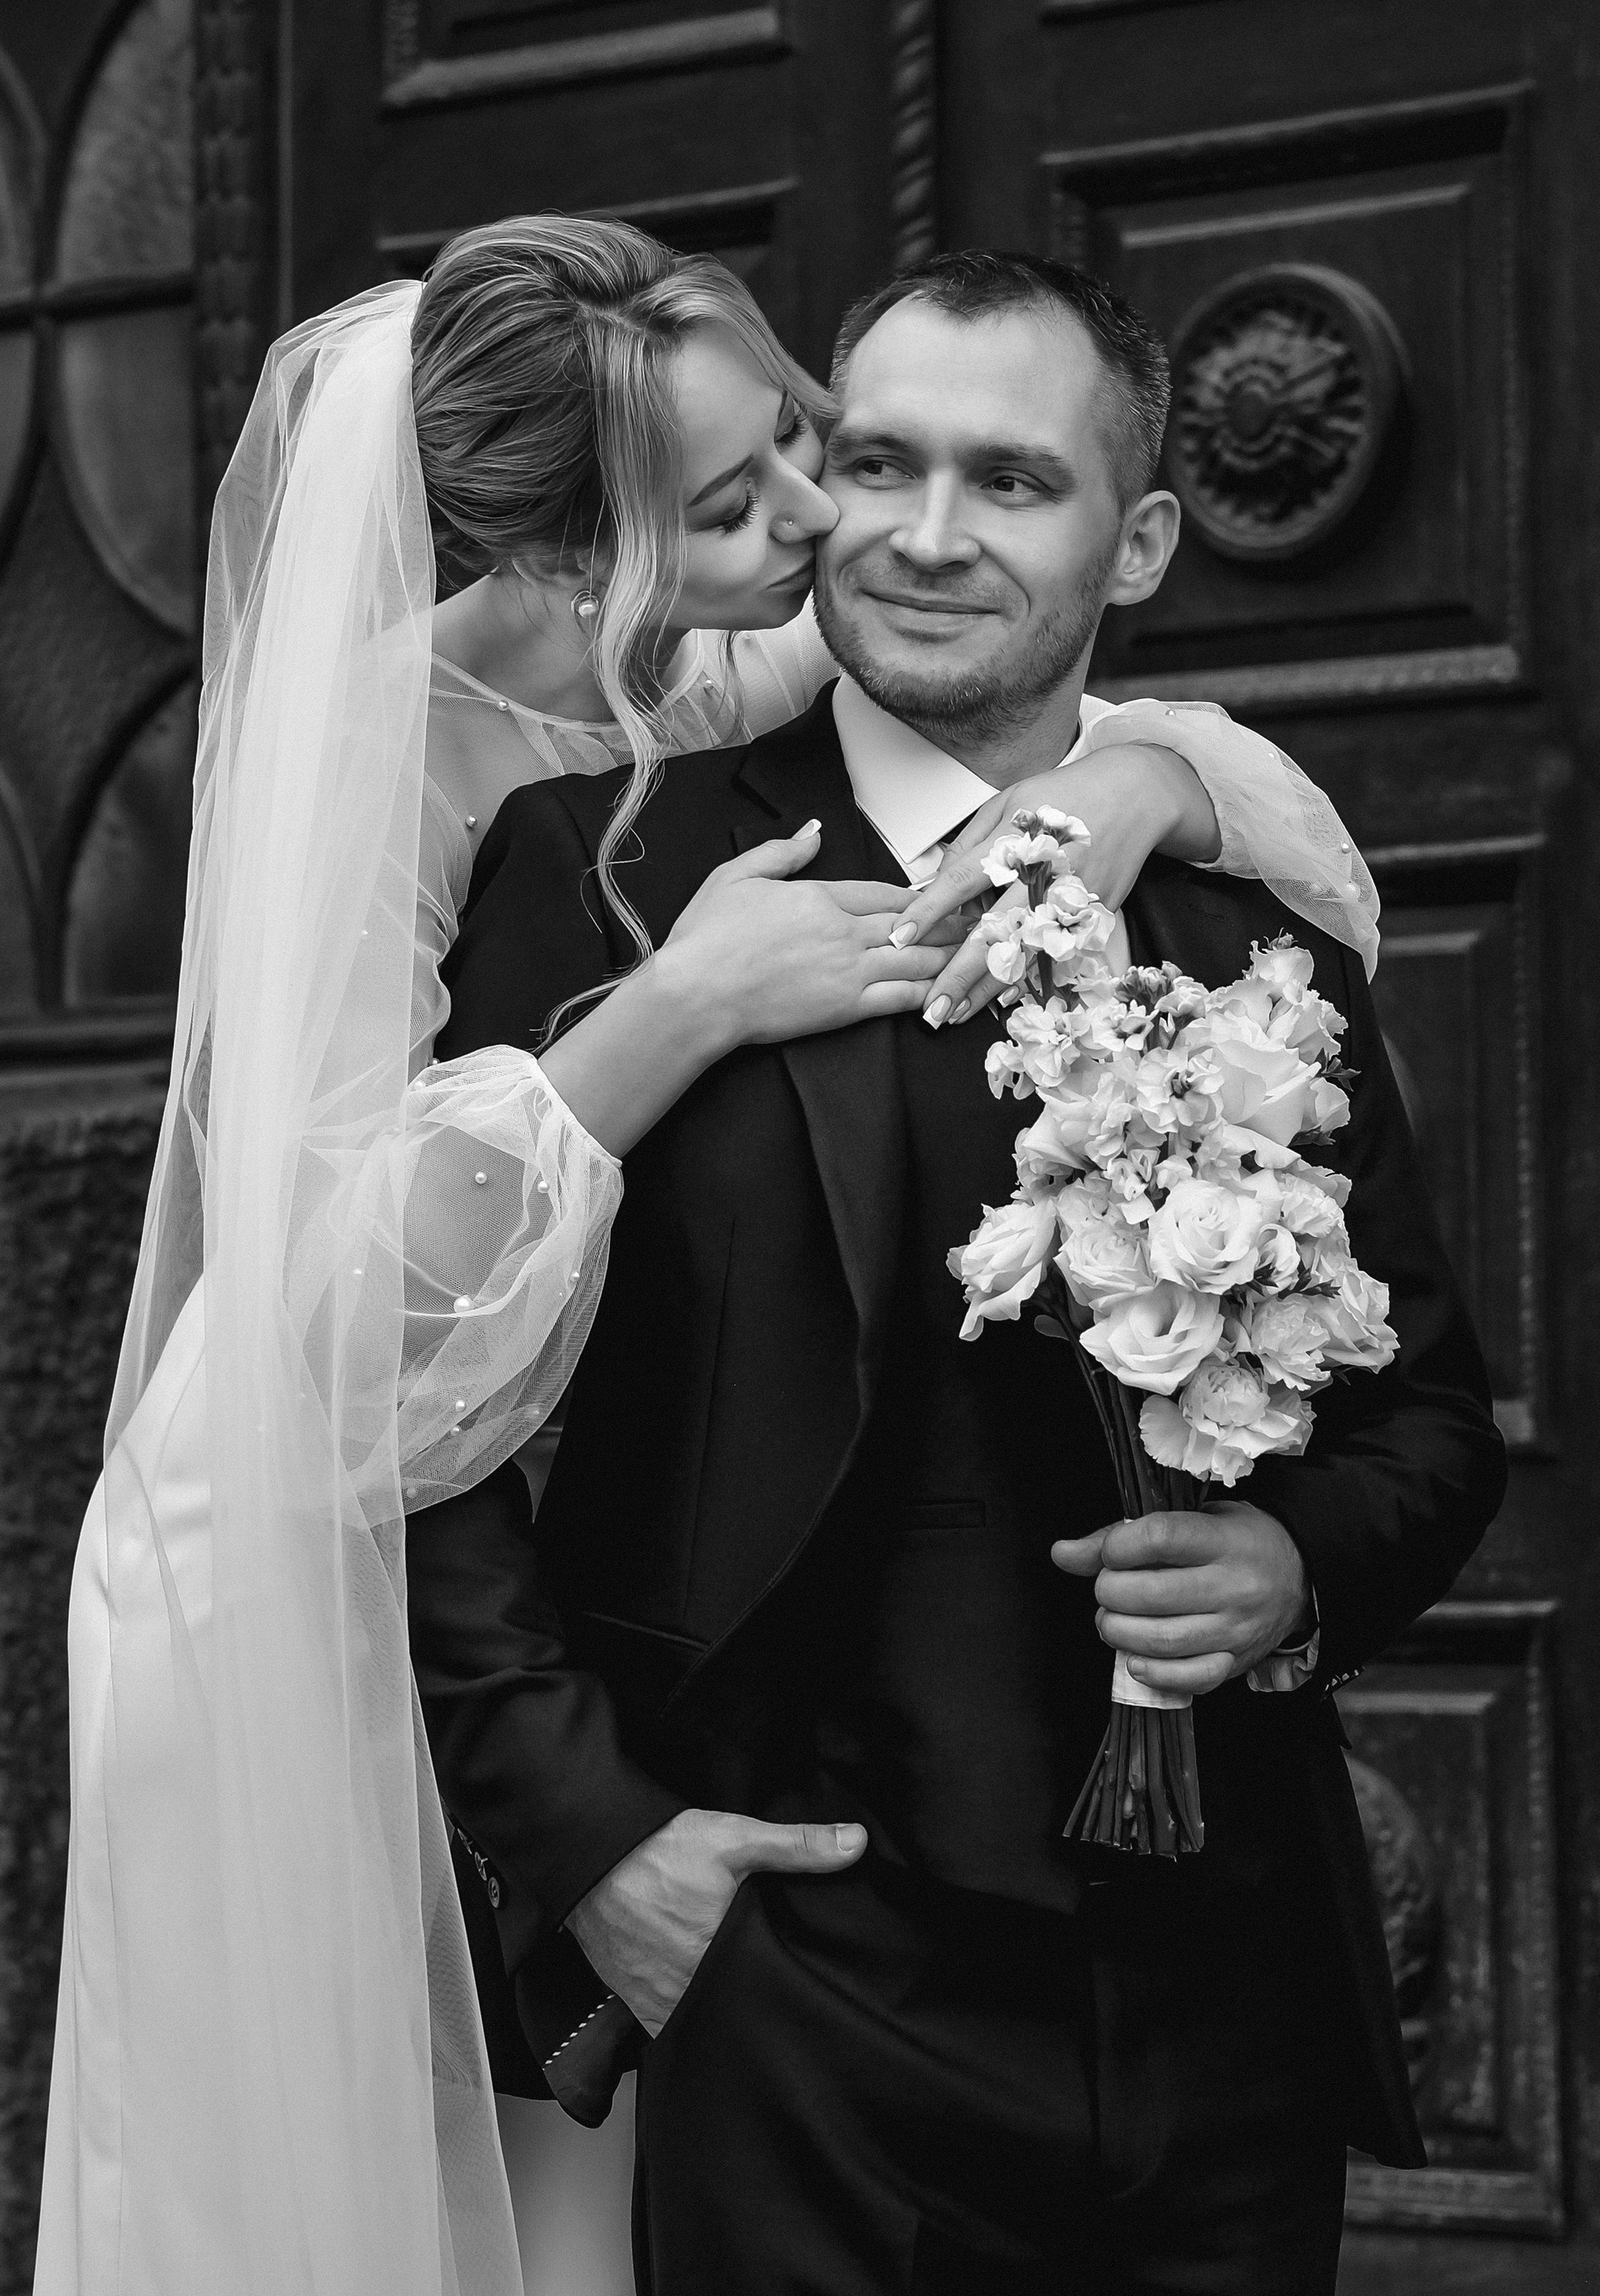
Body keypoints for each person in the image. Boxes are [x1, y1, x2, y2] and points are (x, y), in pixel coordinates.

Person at [36, 218, 1382, 2296]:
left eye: (797, 442)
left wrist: (1141, 774)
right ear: (578, 565)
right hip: (305, 1483)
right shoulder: (384, 752)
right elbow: (351, 1318)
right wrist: (681, 1006)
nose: (820, 522)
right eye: (733, 503)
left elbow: (1200, 771)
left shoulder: (748, 628)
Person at [412, 250, 1507, 2295]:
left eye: (1009, 481)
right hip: (789, 1984)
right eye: (878, 462)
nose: (921, 535)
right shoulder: (603, 872)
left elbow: (1432, 1427)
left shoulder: (1252, 919)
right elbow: (418, 1402)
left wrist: (1295, 1572)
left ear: (1140, 541)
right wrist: (594, 1844)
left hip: (1221, 2009)